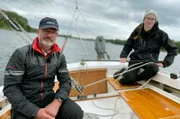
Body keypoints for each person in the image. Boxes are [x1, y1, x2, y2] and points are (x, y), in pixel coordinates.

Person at [3, 17, 83, 119]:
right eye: (45, 31)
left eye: (53, 32)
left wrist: (56, 102)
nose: (49, 35)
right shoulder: (21, 54)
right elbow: (11, 88)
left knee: (75, 112)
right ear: (38, 32)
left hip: (49, 98)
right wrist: (36, 112)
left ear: (56, 35)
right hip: (26, 102)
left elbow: (66, 82)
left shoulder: (59, 57)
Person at [116, 10, 178, 85]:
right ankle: (124, 74)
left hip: (150, 61)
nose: (150, 21)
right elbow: (128, 45)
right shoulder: (136, 31)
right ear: (144, 19)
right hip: (135, 60)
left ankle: (134, 79)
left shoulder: (161, 35)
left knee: (154, 68)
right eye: (148, 18)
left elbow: (173, 50)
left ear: (155, 21)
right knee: (127, 80)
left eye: (152, 19)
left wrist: (165, 63)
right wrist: (123, 56)